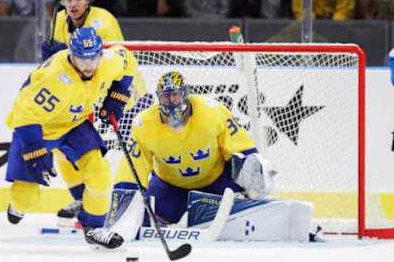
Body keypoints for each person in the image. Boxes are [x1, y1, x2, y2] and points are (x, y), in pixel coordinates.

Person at [105, 71, 315, 242]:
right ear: (159, 99)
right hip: (170, 186)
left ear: (185, 94)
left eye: (176, 95)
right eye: (166, 97)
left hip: (217, 180)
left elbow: (242, 149)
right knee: (146, 221)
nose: (171, 102)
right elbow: (132, 170)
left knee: (249, 192)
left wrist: (253, 179)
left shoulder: (212, 112)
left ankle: (258, 210)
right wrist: (122, 215)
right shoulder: (144, 124)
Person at [4, 27, 139, 249]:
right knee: (26, 198)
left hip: (74, 124)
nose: (88, 66)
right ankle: (17, 204)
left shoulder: (107, 62)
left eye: (93, 58)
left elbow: (128, 60)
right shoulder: (53, 77)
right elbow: (24, 113)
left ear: (99, 53)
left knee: (100, 172)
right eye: (81, 59)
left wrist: (119, 94)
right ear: (71, 54)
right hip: (38, 130)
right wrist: (35, 150)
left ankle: (94, 227)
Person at [41, 0, 123, 61]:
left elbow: (114, 57)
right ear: (63, 2)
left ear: (88, 1)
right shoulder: (58, 18)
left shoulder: (104, 19)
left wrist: (68, 53)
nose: (73, 4)